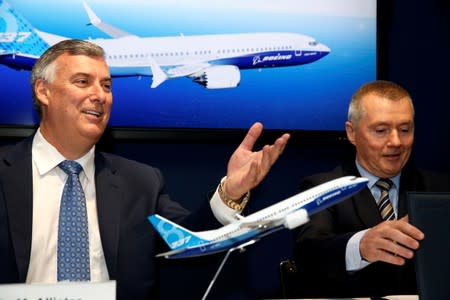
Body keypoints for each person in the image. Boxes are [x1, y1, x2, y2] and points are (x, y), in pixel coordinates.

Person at [0, 39, 290, 299]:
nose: (100, 95)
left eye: (107, 85)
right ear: (43, 91)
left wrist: (231, 191)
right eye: (82, 82)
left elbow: (189, 242)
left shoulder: (140, 182)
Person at [294, 80, 450, 298]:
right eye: (381, 130)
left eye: (405, 129)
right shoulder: (322, 190)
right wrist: (360, 246)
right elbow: (309, 253)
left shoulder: (440, 190)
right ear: (352, 132)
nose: (396, 141)